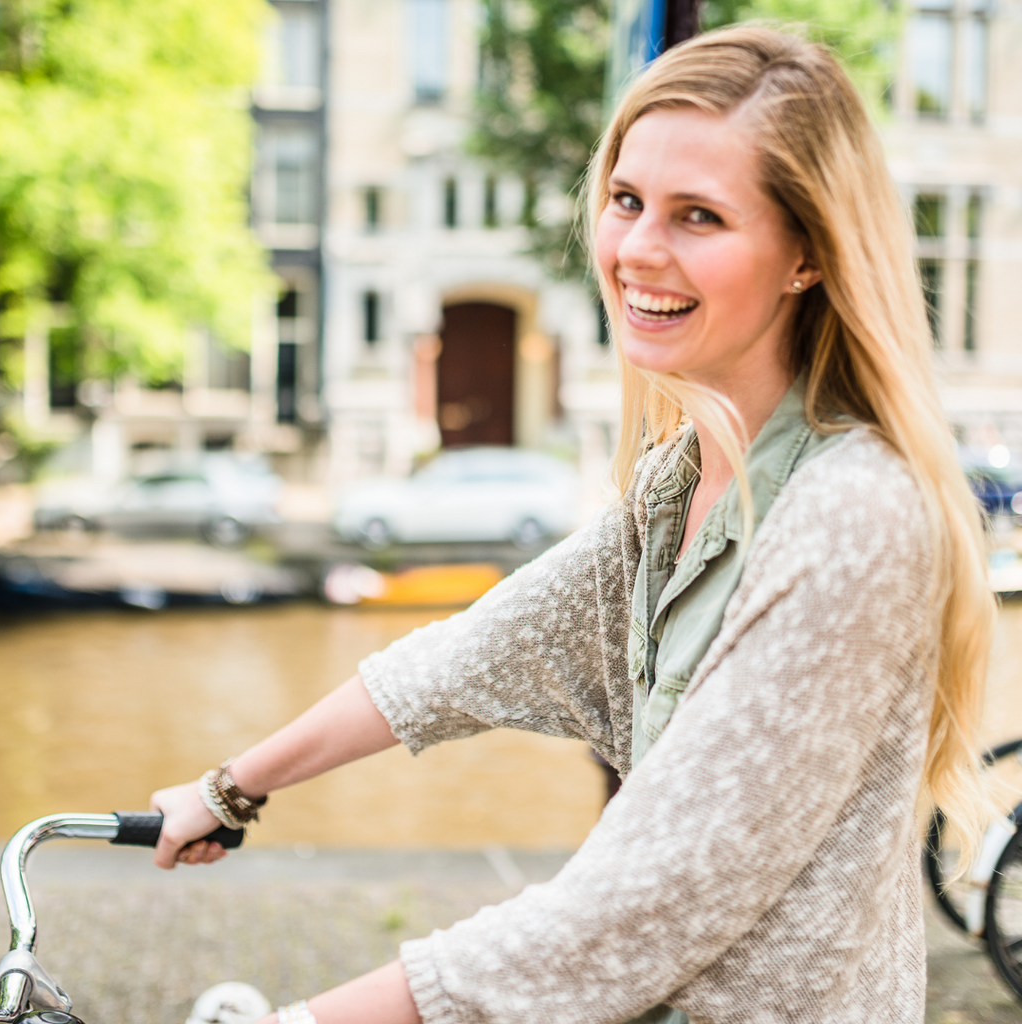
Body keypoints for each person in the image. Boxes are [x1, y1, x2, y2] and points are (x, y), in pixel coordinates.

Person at [151, 25, 996, 1024]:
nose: (636, 249)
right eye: (627, 200)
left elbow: (636, 909)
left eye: (699, 216)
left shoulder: (853, 512)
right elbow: (468, 655)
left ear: (805, 255)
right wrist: (230, 786)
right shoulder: (682, 478)